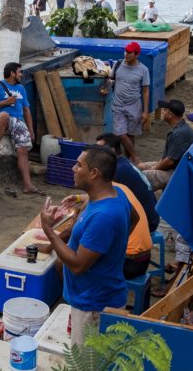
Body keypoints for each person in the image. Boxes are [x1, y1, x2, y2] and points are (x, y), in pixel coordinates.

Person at [39, 146, 135, 346]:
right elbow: (134, 217)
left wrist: (48, 229)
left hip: (93, 306)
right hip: (94, 295)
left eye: (79, 165)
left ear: (94, 174)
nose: (74, 168)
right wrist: (111, 248)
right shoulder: (116, 194)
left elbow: (77, 265)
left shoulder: (103, 217)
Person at [0, 62, 41, 195]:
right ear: (12, 73)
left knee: (23, 151)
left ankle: (28, 185)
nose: (21, 74)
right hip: (3, 119)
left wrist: (31, 130)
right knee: (4, 115)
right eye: (19, 72)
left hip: (19, 122)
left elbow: (27, 110)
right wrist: (5, 102)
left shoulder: (21, 88)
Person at [96, 133, 159, 233]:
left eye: (100, 149)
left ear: (112, 150)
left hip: (146, 223)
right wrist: (78, 198)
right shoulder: (123, 162)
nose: (96, 153)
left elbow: (102, 197)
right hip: (151, 218)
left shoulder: (118, 169)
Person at [137, 99, 193, 193]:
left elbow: (169, 161)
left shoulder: (178, 133)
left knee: (142, 176)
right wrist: (153, 166)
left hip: (178, 173)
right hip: (175, 167)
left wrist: (153, 169)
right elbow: (167, 157)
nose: (162, 112)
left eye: (164, 110)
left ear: (170, 114)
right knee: (140, 166)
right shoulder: (181, 128)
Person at [107, 42, 150, 164]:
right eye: (125, 51)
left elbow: (146, 91)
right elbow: (111, 79)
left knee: (131, 134)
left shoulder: (143, 70)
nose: (126, 54)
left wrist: (145, 112)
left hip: (134, 106)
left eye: (129, 52)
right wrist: (107, 84)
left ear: (137, 54)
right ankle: (136, 158)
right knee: (120, 133)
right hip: (118, 105)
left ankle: (128, 161)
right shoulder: (118, 64)